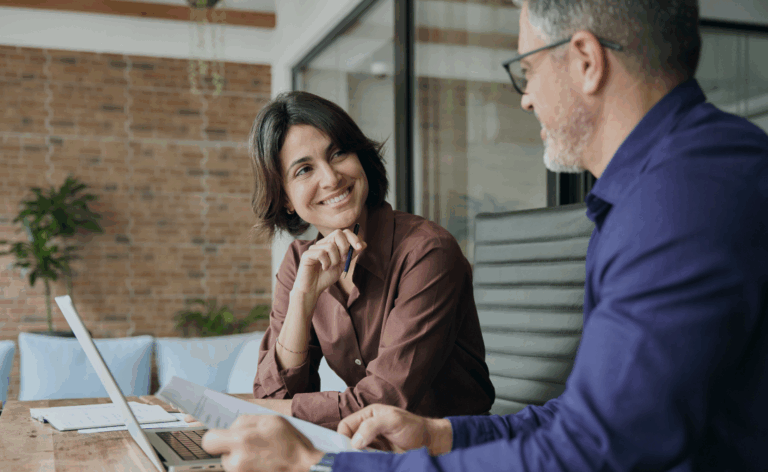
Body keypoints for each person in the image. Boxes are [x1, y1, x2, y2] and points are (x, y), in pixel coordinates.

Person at [199, 0, 768, 470]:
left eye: (528, 69)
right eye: (302, 170)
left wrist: (312, 465)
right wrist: (442, 436)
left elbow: (593, 450)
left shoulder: (680, 199)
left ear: (587, 61)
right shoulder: (661, 187)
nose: (525, 97)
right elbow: (588, 418)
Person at [240, 91, 494, 430]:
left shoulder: (427, 252)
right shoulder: (301, 264)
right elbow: (274, 395)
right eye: (304, 169)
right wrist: (302, 300)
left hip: (453, 452)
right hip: (368, 448)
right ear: (285, 198)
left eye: (339, 153)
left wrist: (253, 411)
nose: (330, 178)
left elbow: (382, 402)